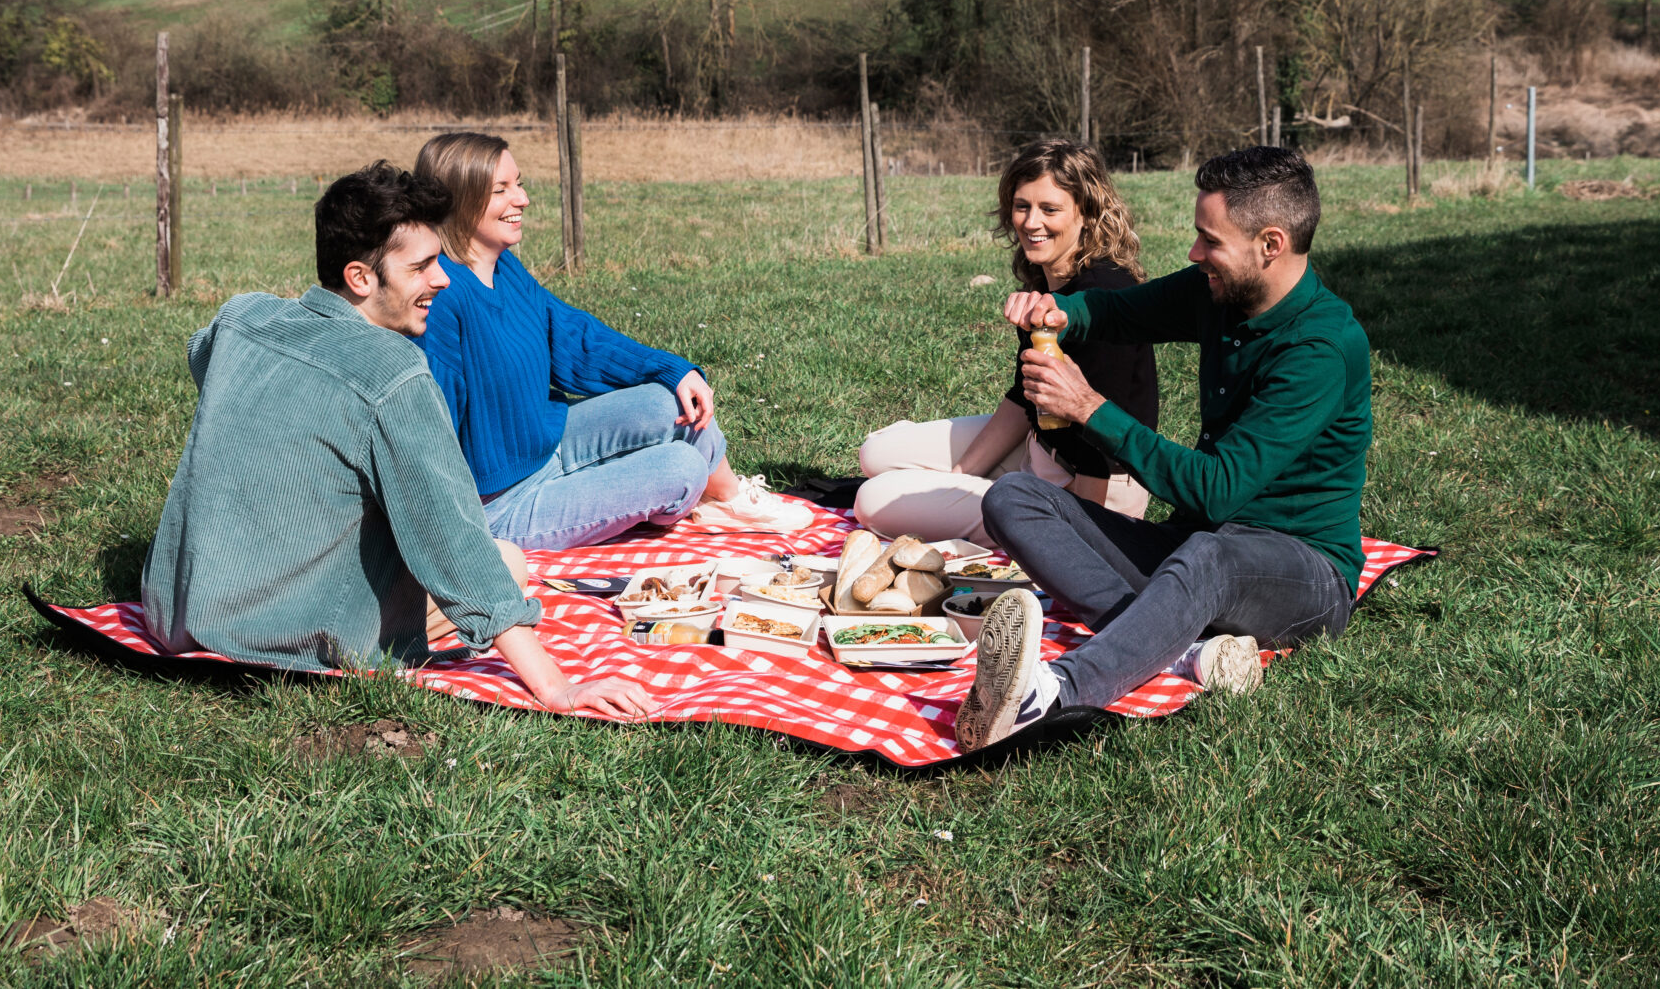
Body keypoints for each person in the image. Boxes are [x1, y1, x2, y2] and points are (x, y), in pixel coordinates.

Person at [140, 162, 654, 720]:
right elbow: (454, 538)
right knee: (505, 563)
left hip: (176, 612)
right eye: (423, 266)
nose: (443, 280)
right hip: (278, 644)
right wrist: (556, 688)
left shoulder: (242, 317)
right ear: (361, 277)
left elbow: (202, 355)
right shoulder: (395, 373)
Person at [954, 146, 1372, 751]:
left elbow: (1218, 489)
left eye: (1210, 241)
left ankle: (1049, 694)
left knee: (1209, 555)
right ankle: (1179, 649)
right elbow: (1117, 312)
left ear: (1270, 244)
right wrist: (1056, 309)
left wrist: (1089, 408)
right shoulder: (1219, 292)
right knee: (1015, 496)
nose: (1194, 254)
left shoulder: (1320, 348)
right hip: (1201, 545)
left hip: (1304, 573)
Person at [412, 131, 808, 551]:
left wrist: (673, 371)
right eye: (501, 190)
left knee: (671, 400)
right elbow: (430, 429)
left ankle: (727, 501)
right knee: (682, 468)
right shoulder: (440, 298)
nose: (523, 199)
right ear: (458, 199)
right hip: (501, 504)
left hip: (549, 444)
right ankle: (698, 494)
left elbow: (573, 337)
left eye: (519, 183)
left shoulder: (503, 267)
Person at [854, 138, 1160, 545]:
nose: (1031, 222)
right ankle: (975, 491)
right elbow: (1024, 396)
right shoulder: (1046, 282)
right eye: (1022, 206)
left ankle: (1026, 521)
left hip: (1091, 491)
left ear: (1086, 213)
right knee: (874, 453)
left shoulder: (1105, 297)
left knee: (871, 501)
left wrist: (1083, 541)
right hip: (1038, 449)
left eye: (1050, 209)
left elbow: (1101, 448)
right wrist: (957, 480)